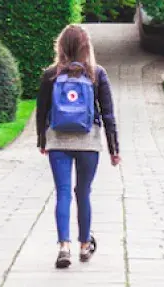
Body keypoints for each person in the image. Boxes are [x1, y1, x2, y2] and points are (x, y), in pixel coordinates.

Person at [35, 24, 121, 269]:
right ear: (87, 46)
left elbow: (41, 112)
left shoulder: (51, 74)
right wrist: (114, 149)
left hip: (58, 140)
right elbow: (108, 115)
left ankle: (64, 246)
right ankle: (85, 246)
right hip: (88, 141)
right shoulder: (97, 74)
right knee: (83, 193)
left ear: (61, 46)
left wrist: (43, 141)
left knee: (62, 192)